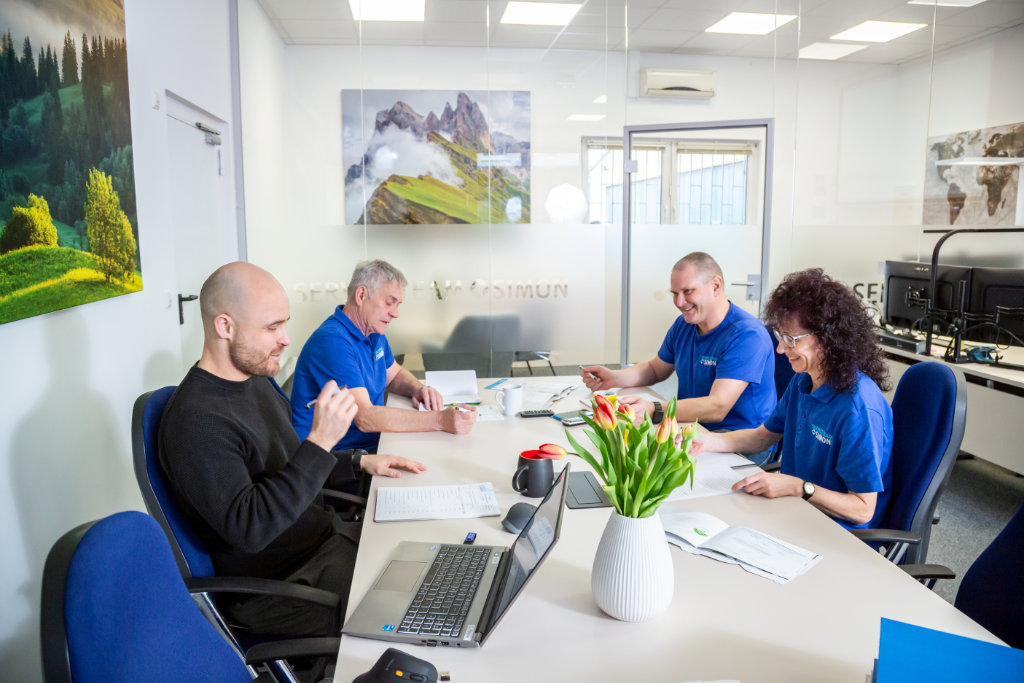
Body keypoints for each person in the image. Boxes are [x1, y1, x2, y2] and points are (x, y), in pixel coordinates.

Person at [159, 262, 425, 637]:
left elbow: (288, 465)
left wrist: (358, 461)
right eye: (272, 327)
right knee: (419, 608)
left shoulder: (256, 382)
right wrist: (319, 441)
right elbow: (251, 528)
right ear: (225, 327)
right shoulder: (197, 422)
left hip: (324, 543)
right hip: (285, 587)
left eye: (284, 324)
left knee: (426, 560)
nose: (286, 339)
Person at [691, 268, 893, 530]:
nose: (780, 348)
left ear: (827, 339)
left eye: (790, 339)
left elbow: (863, 510)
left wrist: (800, 487)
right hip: (793, 510)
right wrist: (706, 441)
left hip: (832, 532)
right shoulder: (804, 380)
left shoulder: (858, 408)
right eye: (780, 336)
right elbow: (762, 436)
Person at [290, 259, 476, 453]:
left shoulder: (373, 333)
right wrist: (441, 420)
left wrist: (417, 389)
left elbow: (393, 375)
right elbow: (365, 417)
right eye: (389, 303)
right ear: (361, 295)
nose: (395, 313)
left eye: (398, 305)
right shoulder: (332, 342)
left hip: (373, 444)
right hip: (338, 458)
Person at [582, 251, 776, 436]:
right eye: (674, 293)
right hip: (691, 427)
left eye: (687, 291)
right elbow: (655, 369)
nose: (679, 302)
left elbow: (717, 407)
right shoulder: (684, 324)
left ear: (716, 286)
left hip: (736, 438)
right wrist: (613, 378)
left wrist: (654, 409)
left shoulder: (747, 335)